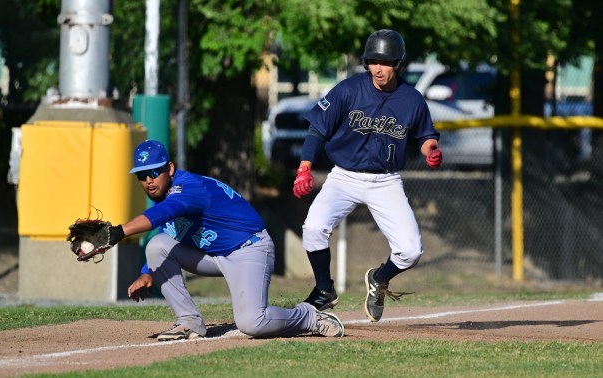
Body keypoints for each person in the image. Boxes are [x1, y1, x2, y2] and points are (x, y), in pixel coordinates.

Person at [113, 139, 343, 341]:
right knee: (157, 245)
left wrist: (118, 232)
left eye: (154, 172)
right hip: (216, 256)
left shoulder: (190, 187)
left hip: (249, 249)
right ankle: (188, 322)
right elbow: (168, 229)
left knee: (251, 322)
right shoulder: (164, 196)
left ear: (170, 168)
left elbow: (161, 215)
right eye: (141, 176)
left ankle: (308, 316)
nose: (148, 180)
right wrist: (146, 272)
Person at [292, 29, 442, 322]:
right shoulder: (349, 90)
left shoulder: (412, 100)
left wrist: (431, 149)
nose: (378, 68)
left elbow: (425, 137)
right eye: (373, 61)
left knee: (411, 251)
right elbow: (317, 129)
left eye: (385, 62)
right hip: (343, 177)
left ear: (397, 64)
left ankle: (380, 279)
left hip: (386, 181)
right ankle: (324, 290)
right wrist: (304, 167)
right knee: (313, 227)